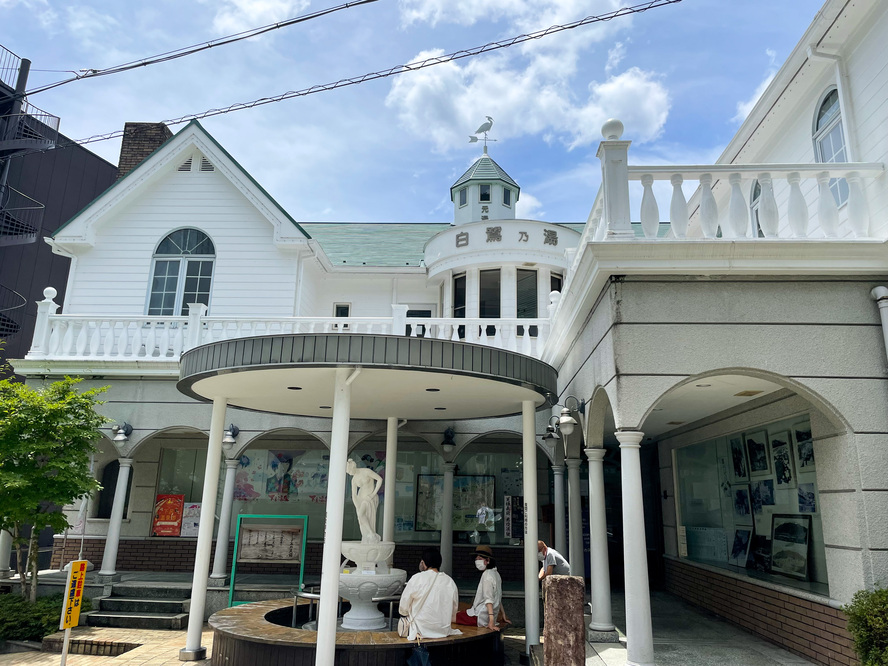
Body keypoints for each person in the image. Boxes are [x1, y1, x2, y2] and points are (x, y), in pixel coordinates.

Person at [398, 548, 461, 641]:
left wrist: (405, 613)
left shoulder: (417, 578)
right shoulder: (450, 581)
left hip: (419, 631)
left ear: (423, 563)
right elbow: (454, 610)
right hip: (443, 631)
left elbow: (403, 606)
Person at [455, 545, 511, 631]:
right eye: (476, 559)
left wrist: (491, 622)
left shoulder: (487, 576)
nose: (477, 561)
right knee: (459, 613)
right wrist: (503, 614)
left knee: (450, 617)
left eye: (480, 559)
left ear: (488, 560)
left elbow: (489, 599)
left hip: (479, 616)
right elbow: (498, 597)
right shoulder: (496, 574)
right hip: (484, 616)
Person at [346, 458, 383, 543]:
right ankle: (370, 534)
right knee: (360, 515)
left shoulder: (366, 471)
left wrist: (372, 494)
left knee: (361, 514)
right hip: (361, 499)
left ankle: (371, 533)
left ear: (353, 467)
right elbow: (354, 494)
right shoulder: (354, 480)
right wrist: (357, 505)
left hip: (370, 498)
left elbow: (379, 479)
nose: (349, 473)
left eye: (349, 471)